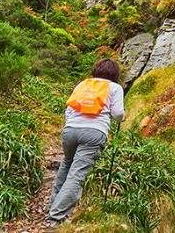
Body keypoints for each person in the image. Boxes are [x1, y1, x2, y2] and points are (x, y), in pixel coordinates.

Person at [46, 58, 125, 226]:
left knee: (66, 164)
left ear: (96, 70)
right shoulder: (114, 88)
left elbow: (69, 108)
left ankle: (53, 205)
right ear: (115, 74)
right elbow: (118, 114)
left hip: (70, 131)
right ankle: (56, 217)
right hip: (94, 133)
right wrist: (122, 117)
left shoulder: (82, 84)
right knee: (77, 174)